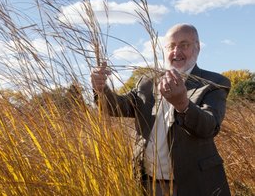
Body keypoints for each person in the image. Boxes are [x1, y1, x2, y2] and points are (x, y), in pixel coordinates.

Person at [91, 23, 231, 196]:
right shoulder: (147, 81)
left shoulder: (214, 83)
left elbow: (209, 127)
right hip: (149, 182)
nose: (176, 52)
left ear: (197, 48)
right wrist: (101, 89)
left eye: (184, 45)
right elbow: (118, 108)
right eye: (171, 46)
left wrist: (182, 104)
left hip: (194, 184)